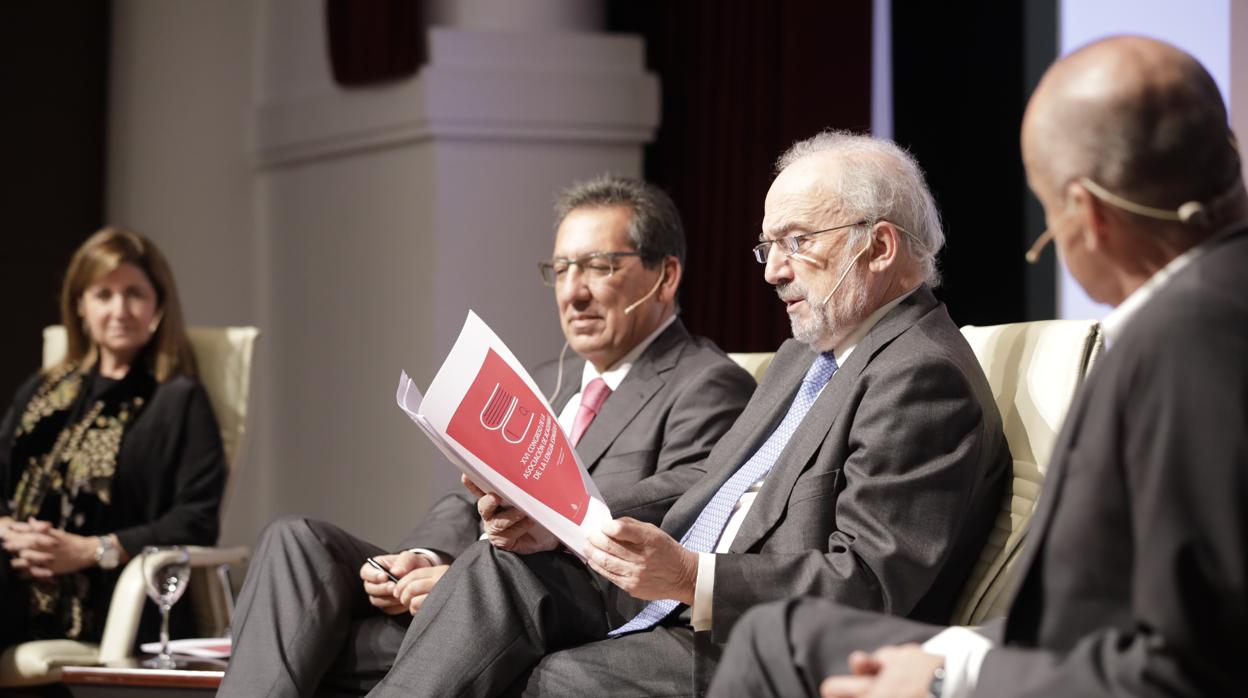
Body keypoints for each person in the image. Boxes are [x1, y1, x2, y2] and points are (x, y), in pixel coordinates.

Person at [358, 132, 1011, 697]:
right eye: (768, 247)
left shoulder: (921, 377)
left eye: (797, 241)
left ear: (879, 247)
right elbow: (705, 487)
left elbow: (868, 585)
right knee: (499, 564)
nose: (773, 271)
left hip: (757, 646)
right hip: (669, 601)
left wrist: (691, 576)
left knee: (541, 680)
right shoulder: (803, 358)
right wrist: (568, 520)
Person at [708, 36, 1248, 698]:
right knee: (778, 637)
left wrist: (953, 672)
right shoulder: (1207, 308)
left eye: (1045, 213)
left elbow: (1187, 668)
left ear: (1087, 215)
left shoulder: (1191, 340)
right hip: (1036, 652)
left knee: (770, 644)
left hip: (1048, 676)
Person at [216, 175, 756, 696]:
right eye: (562, 269)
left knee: (311, 644)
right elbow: (467, 495)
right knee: (296, 543)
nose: (575, 293)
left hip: (559, 605)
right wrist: (427, 558)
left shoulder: (707, 382)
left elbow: (688, 507)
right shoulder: (547, 379)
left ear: (665, 276)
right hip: (465, 591)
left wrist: (466, 576)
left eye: (599, 266)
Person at [1, 227, 226, 648]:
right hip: (15, 571)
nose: (119, 309)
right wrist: (10, 534)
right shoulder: (43, 390)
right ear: (80, 306)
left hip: (110, 595)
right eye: (103, 294)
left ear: (158, 305)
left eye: (134, 294)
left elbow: (197, 517)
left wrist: (92, 549)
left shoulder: (179, 399)